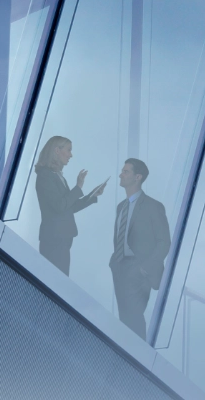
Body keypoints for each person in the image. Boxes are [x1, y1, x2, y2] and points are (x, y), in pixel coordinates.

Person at [108, 158, 170, 336]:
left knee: (133, 318)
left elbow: (164, 241)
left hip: (138, 269)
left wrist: (144, 268)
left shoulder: (153, 206)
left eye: (125, 172)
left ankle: (136, 358)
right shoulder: (121, 207)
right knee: (124, 318)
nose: (121, 174)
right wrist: (115, 263)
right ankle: (127, 355)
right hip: (120, 266)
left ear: (138, 177)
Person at [34, 136, 104, 274]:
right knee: (55, 283)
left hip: (61, 240)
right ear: (57, 150)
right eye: (68, 150)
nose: (71, 155)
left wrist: (92, 196)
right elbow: (60, 206)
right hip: (54, 240)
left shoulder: (56, 175)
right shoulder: (45, 176)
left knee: (60, 282)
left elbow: (69, 207)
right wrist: (78, 187)